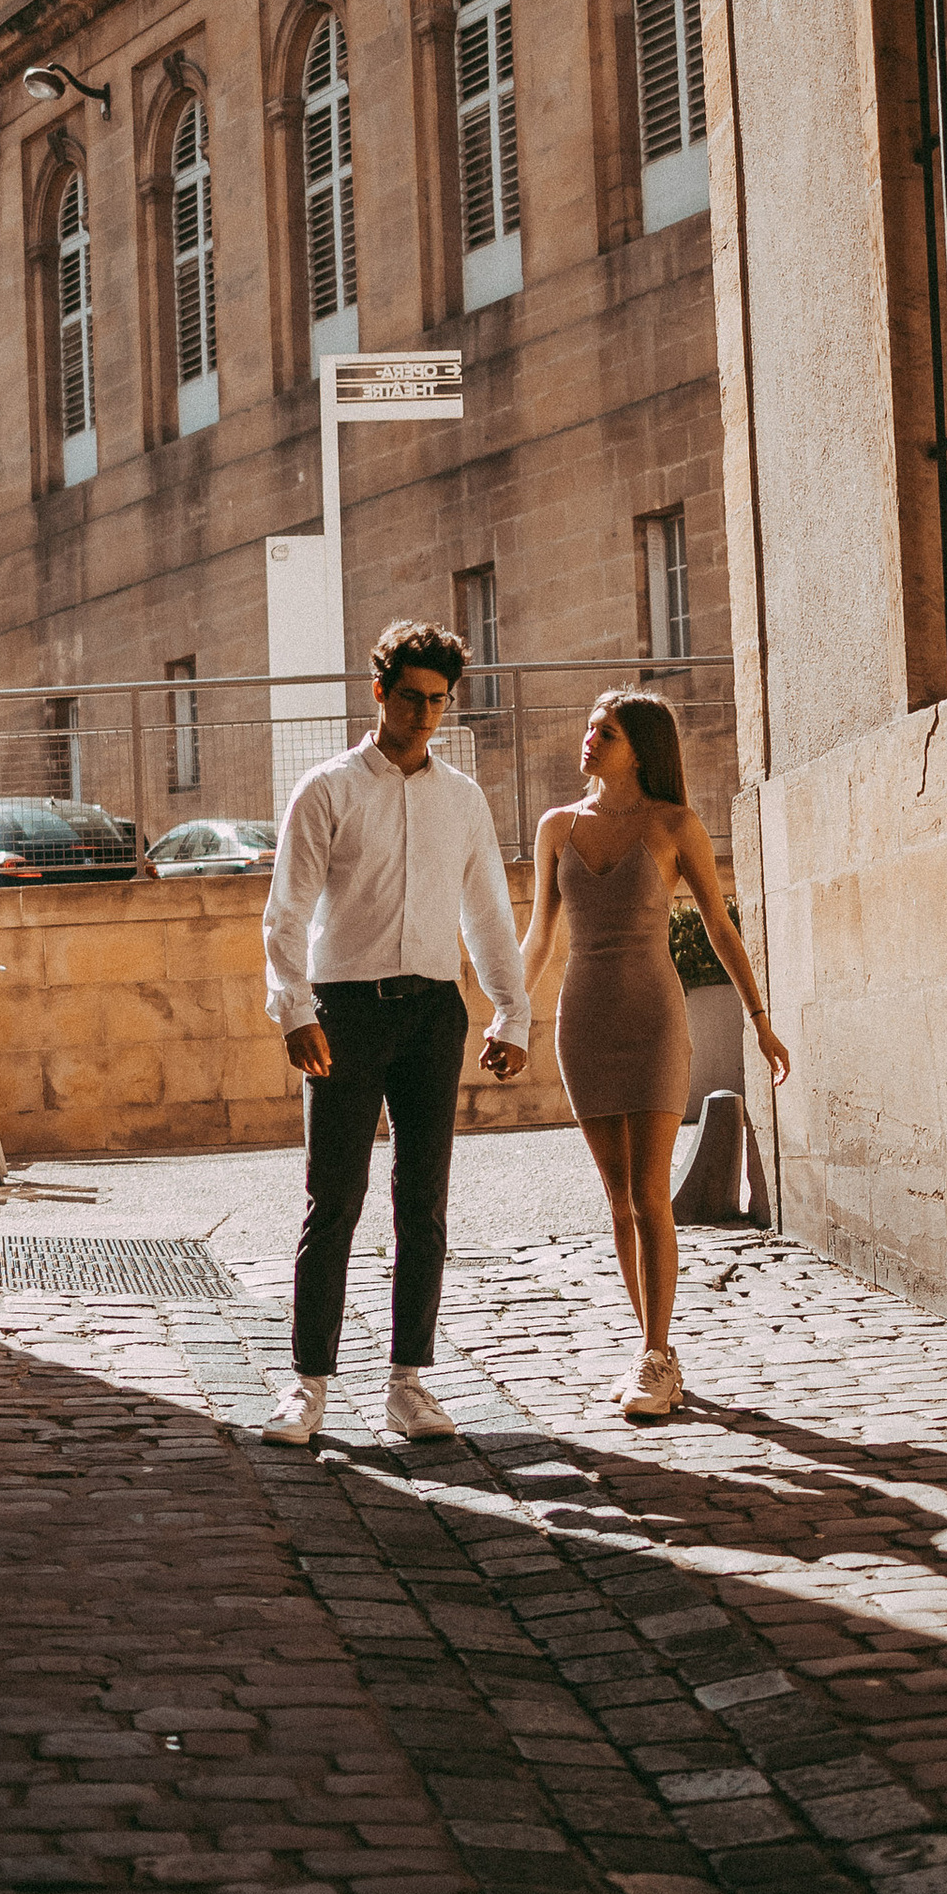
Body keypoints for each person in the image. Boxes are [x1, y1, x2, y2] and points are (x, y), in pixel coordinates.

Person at [259, 619, 529, 1445]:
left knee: (425, 1203)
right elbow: (286, 913)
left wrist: (511, 1010)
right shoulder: (328, 788)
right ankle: (308, 1384)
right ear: (378, 692)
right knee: (332, 1201)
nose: (423, 714)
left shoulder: (463, 798)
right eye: (409, 698)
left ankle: (409, 1384)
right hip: (344, 1011)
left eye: (438, 702)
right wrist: (296, 1011)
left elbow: (487, 909)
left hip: (431, 1013)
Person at [520, 687, 789, 1420]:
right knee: (616, 1199)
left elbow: (720, 928)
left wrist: (760, 1019)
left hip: (654, 1017)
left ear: (638, 745)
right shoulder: (556, 826)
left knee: (649, 1193)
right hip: (584, 1021)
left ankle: (658, 1355)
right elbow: (541, 935)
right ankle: (651, 1352)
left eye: (603, 730)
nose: (588, 739)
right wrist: (509, 1016)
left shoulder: (674, 824)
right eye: (589, 726)